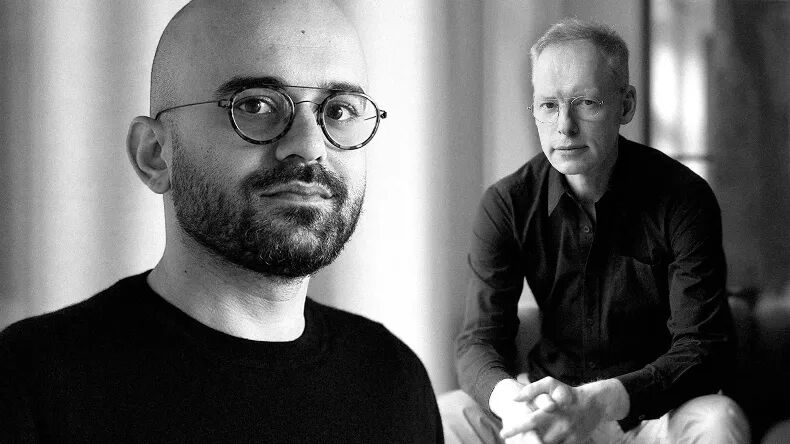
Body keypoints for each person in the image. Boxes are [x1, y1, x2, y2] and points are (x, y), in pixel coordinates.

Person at [0, 1, 443, 442]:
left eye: (339, 111)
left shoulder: (393, 378)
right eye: (255, 105)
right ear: (155, 155)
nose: (310, 146)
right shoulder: (29, 381)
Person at [440, 18, 750, 444]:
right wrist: (517, 406)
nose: (564, 127)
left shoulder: (684, 198)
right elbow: (478, 341)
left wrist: (600, 401)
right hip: (549, 404)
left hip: (651, 411)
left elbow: (703, 347)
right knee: (450, 415)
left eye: (586, 102)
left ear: (626, 105)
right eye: (548, 105)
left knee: (717, 420)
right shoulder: (507, 204)